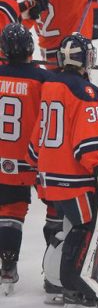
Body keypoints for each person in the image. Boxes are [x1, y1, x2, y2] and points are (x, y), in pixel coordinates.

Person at [35, 33, 98, 308]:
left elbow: (37, 137)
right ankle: (76, 286)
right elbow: (89, 146)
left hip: (48, 176)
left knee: (68, 226)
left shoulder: (50, 85)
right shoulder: (87, 93)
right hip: (74, 179)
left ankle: (54, 281)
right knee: (92, 225)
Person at [0, 24, 47, 293]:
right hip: (26, 158)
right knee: (14, 211)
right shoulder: (42, 80)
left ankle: (6, 266)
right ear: (30, 49)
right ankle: (9, 265)